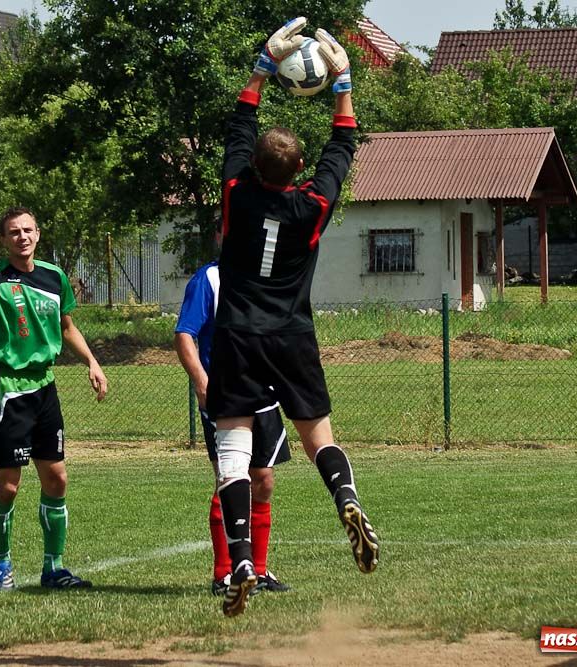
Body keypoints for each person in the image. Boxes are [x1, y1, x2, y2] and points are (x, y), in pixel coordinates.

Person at [208, 18, 380, 617]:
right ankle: (345, 499)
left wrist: (261, 65)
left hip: (235, 336)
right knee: (318, 439)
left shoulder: (236, 192)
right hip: (292, 335)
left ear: (252, 166)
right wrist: (344, 80)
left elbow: (238, 126)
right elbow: (345, 144)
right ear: (299, 169)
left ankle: (242, 561)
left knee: (233, 454)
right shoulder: (312, 206)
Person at [0, 206, 107, 591]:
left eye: (29, 230)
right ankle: (2, 564)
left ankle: (54, 568)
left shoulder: (54, 276)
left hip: (44, 386)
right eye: (14, 232)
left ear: (38, 234)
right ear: (3, 240)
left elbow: (67, 327)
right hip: (6, 388)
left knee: (57, 478)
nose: (23, 237)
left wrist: (92, 362)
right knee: (10, 485)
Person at [174, 240, 292, 597]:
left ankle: (258, 568)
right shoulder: (208, 279)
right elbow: (185, 335)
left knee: (265, 480)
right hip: (225, 396)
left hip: (264, 392)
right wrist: (201, 381)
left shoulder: (265, 278)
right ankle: (225, 573)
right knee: (230, 479)